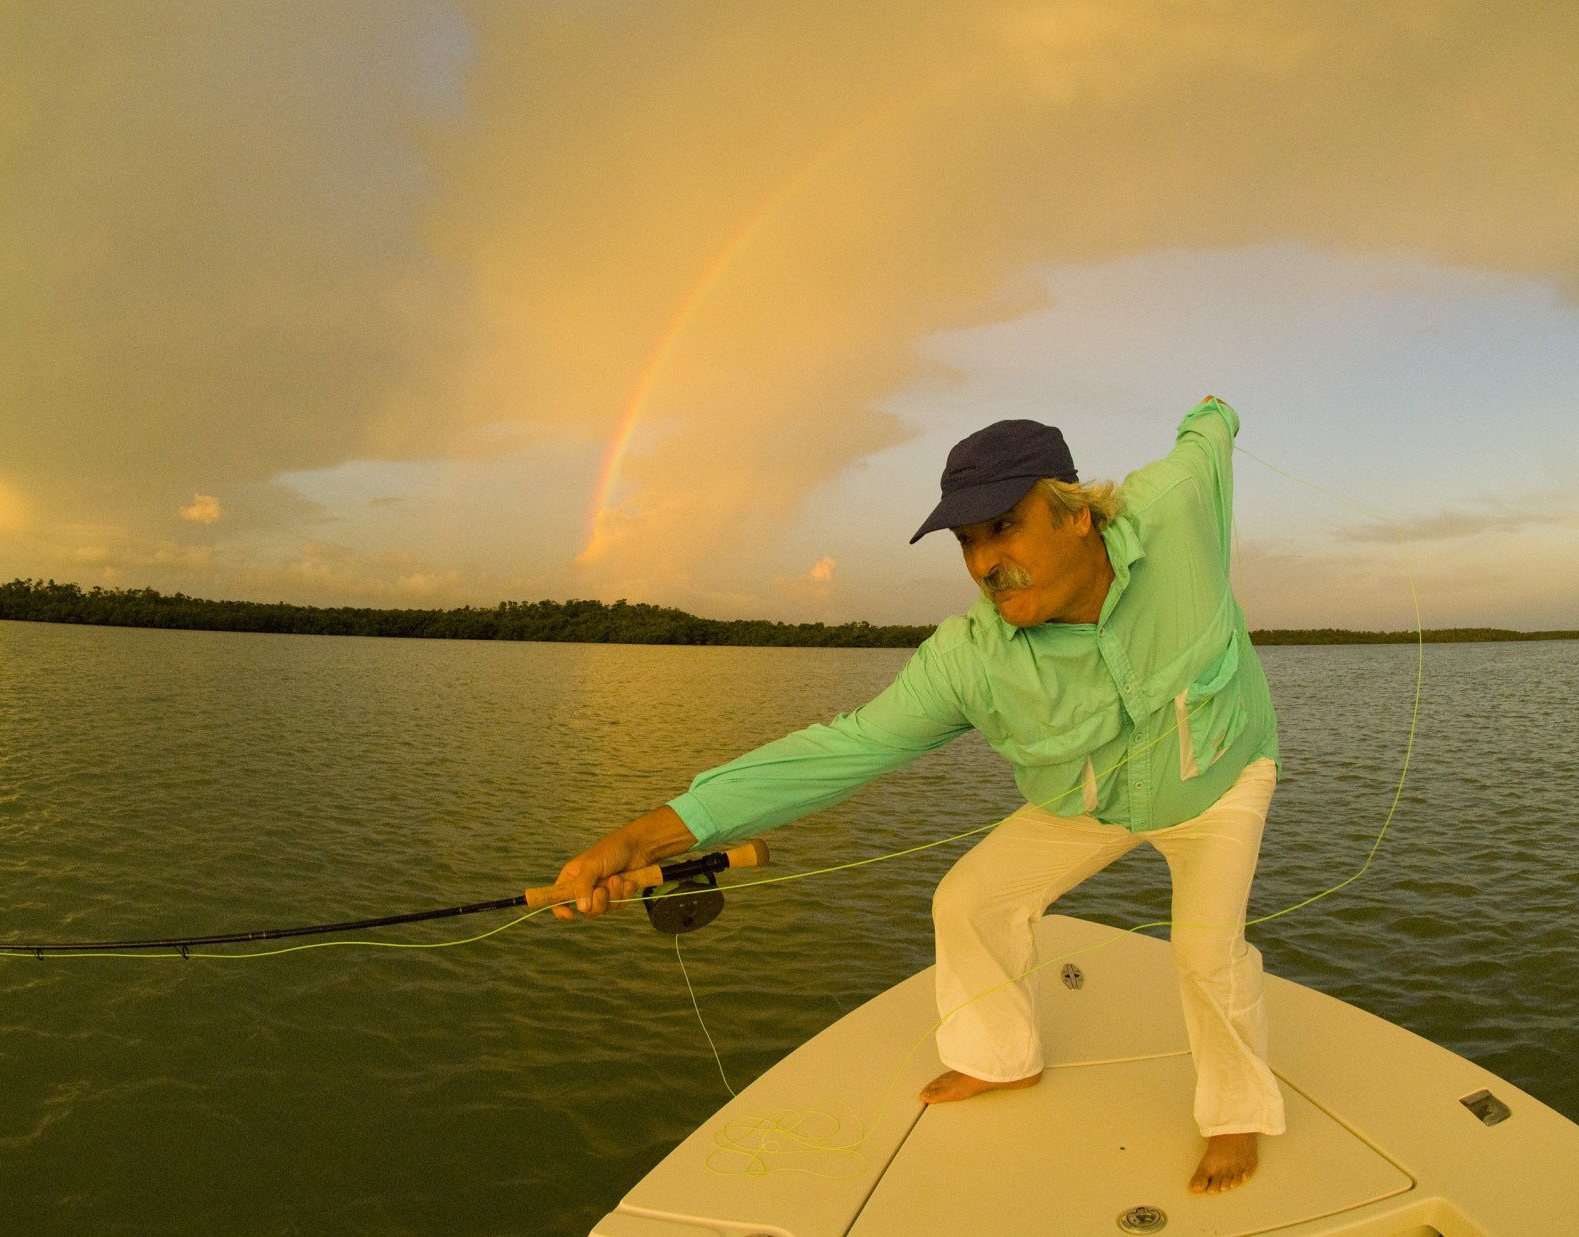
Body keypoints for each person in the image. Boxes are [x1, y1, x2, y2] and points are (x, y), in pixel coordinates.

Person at [547, 398, 1282, 1196]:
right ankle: (1000, 1058)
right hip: (1090, 800)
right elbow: (839, 749)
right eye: (966, 540)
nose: (984, 561)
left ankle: (1234, 1115)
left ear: (1075, 514)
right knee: (967, 901)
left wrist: (1213, 411)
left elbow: (1207, 434)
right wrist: (641, 838)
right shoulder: (968, 660)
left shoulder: (1174, 506)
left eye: (1003, 526)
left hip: (1221, 778)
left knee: (1204, 949)